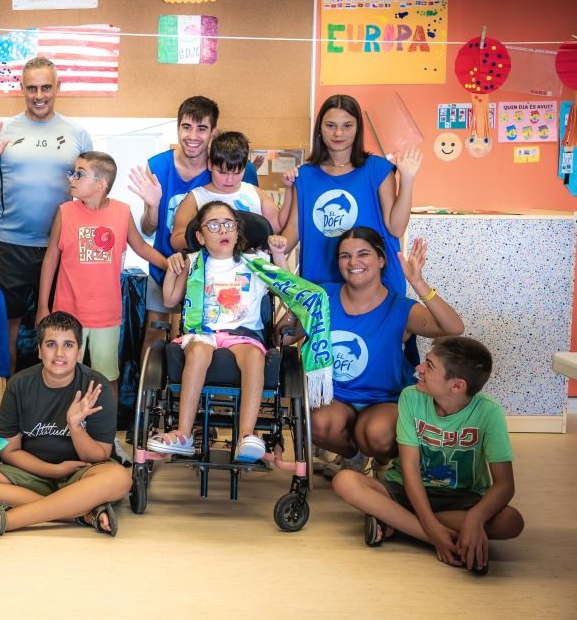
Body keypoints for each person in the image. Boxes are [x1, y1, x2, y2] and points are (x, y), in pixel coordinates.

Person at [331, 336, 524, 574]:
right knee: (345, 481)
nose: (419, 368)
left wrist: (474, 518)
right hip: (407, 489)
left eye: (429, 366)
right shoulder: (411, 397)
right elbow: (410, 467)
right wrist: (432, 531)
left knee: (511, 521)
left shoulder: (489, 412)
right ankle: (435, 536)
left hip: (462, 498)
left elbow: (505, 485)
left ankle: (397, 522)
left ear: (456, 386)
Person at [301, 228, 463, 478]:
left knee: (377, 435)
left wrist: (418, 283)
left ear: (381, 260)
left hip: (384, 399)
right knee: (317, 425)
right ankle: (352, 458)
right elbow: (287, 332)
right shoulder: (324, 296)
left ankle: (381, 463)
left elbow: (453, 328)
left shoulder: (400, 308)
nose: (353, 262)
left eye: (363, 254)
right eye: (345, 256)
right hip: (337, 397)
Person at [0, 311, 131, 541]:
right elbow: (9, 451)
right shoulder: (19, 385)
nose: (59, 353)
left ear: (79, 351)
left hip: (81, 474)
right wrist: (54, 470)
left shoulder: (96, 385)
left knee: (120, 479)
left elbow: (100, 456)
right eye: (51, 344)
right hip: (31, 473)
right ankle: (82, 513)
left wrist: (75, 426)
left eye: (68, 345)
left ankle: (5, 521)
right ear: (40, 350)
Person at [145, 201, 289, 462]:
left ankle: (246, 436)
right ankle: (184, 434)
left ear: (237, 231)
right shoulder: (193, 262)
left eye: (228, 224)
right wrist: (173, 269)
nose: (222, 230)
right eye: (213, 225)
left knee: (255, 357)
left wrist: (279, 256)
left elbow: (285, 290)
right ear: (200, 235)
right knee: (198, 351)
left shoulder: (255, 262)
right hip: (203, 331)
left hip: (243, 334)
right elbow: (169, 300)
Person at [36, 150, 180, 403]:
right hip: (66, 313)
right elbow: (50, 259)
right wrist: (42, 307)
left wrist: (172, 266)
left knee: (106, 377)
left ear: (101, 184)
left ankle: (107, 436)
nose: (71, 178)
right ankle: (59, 431)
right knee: (61, 374)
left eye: (79, 174)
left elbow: (142, 247)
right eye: (72, 172)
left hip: (105, 316)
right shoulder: (65, 212)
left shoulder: (122, 213)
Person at [0, 56, 93, 370]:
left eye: (45, 87)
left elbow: (91, 193)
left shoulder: (77, 134)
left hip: (62, 247)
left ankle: (56, 408)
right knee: (4, 332)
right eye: (31, 88)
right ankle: (4, 403)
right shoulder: (5, 132)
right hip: (12, 245)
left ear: (58, 87)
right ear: (21, 89)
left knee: (59, 333)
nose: (38, 95)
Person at [130, 96, 259, 352]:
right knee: (155, 336)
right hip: (167, 266)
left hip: (220, 274)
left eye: (202, 128)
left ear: (214, 132)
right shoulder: (157, 166)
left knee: (207, 340)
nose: (193, 135)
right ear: (178, 128)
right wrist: (153, 206)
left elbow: (255, 226)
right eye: (186, 127)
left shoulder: (227, 168)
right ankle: (152, 390)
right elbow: (147, 230)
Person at [277, 93, 421, 295]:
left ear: (357, 128)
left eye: (347, 125)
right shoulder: (305, 175)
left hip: (375, 287)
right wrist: (261, 253)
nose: (338, 133)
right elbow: (292, 233)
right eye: (330, 125)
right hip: (320, 287)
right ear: (319, 128)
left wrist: (407, 179)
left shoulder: (377, 169)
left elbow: (396, 228)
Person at [169, 131, 280, 251]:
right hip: (211, 267)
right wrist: (207, 238)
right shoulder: (195, 198)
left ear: (244, 168)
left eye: (237, 173)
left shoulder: (256, 193)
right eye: (222, 172)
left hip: (251, 267)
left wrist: (290, 189)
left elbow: (278, 227)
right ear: (210, 165)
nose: (229, 180)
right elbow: (176, 240)